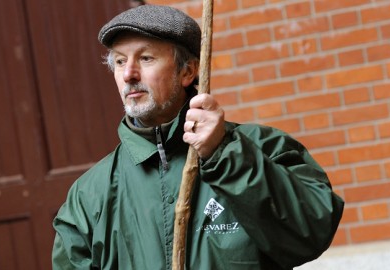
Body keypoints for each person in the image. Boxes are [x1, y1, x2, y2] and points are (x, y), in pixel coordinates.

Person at [52, 4, 344, 270]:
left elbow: (312, 232)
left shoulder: (261, 148)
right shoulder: (90, 196)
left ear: (188, 71)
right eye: (119, 61)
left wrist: (225, 155)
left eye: (146, 58)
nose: (129, 73)